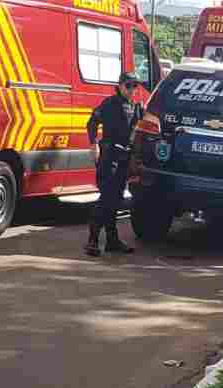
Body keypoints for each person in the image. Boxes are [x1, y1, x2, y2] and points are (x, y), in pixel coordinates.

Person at [85, 72, 141, 256]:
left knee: (116, 200)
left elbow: (141, 125)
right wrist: (94, 145)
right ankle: (92, 240)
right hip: (109, 157)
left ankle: (112, 240)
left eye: (135, 86)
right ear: (120, 85)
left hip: (124, 157)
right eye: (129, 85)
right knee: (106, 198)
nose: (132, 89)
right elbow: (92, 122)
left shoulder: (135, 106)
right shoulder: (110, 104)